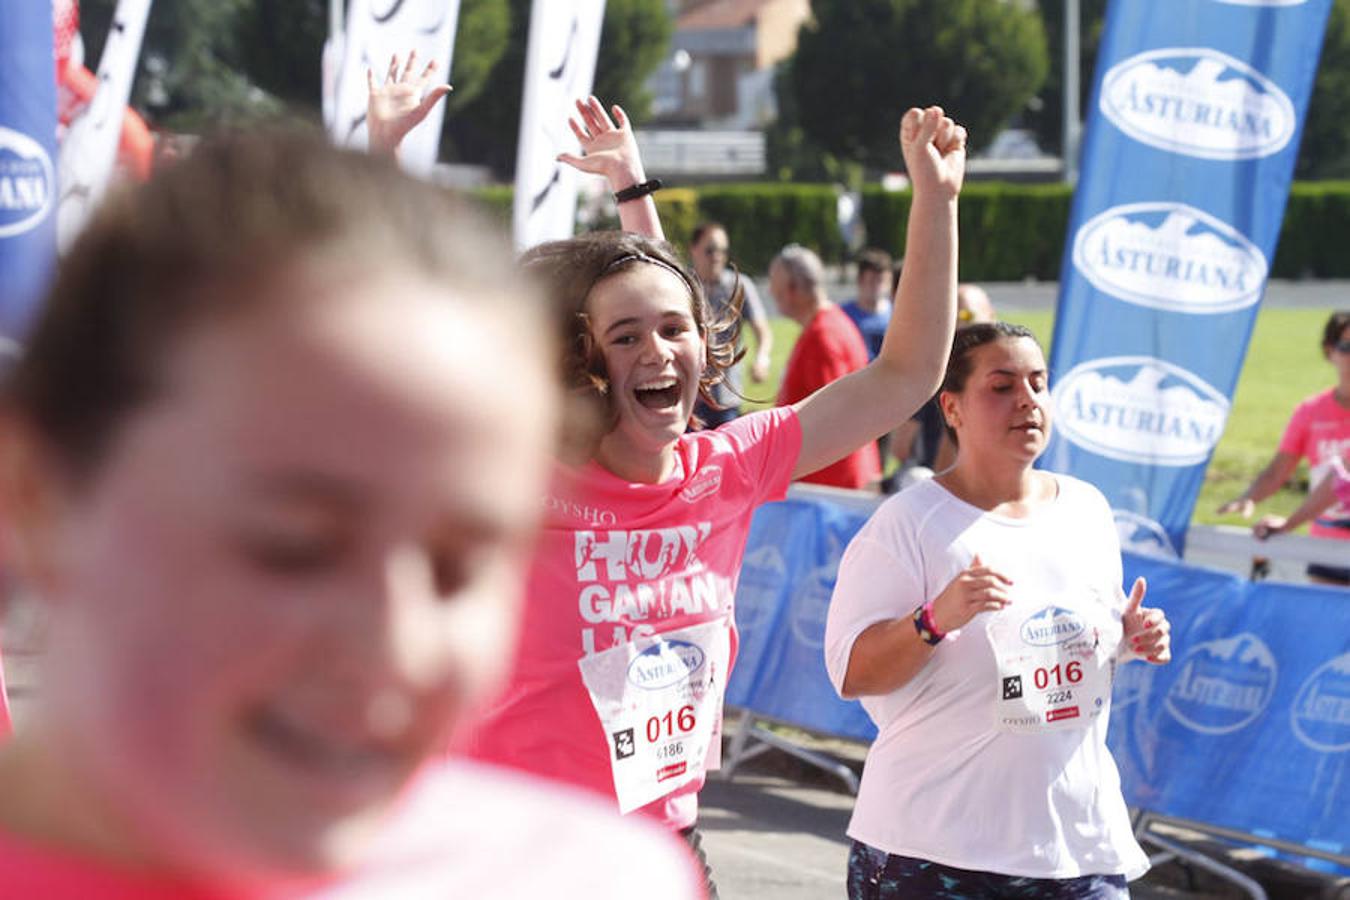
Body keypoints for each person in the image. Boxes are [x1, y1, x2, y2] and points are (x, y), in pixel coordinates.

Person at [0, 131, 701, 897]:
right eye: (296, 547)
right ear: (38, 500)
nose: (394, 642)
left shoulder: (600, 876)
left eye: (456, 568)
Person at [453, 105, 966, 897]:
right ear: (580, 360)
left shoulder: (728, 465)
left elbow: (906, 376)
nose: (656, 350)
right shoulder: (518, 476)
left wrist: (936, 200)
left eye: (674, 331)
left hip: (662, 850)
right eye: (624, 339)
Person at [825, 321, 1172, 899]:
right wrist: (933, 620)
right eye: (1003, 385)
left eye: (1038, 383)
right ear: (953, 408)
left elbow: (1070, 649)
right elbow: (853, 673)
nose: (1027, 400)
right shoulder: (909, 524)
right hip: (934, 849)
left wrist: (1128, 639)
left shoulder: (1086, 509)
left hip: (1073, 847)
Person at [1218, 310, 1350, 585]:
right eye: (1347, 347)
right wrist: (1251, 497)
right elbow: (1334, 480)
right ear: (1330, 351)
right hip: (1327, 547)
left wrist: (1290, 523)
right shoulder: (1311, 411)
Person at [772, 244, 882, 489]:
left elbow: (828, 419)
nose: (771, 293)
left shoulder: (822, 336)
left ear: (791, 291)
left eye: (775, 288)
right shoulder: (833, 323)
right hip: (840, 477)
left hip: (830, 485)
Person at [892, 282, 998, 485]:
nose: (958, 324)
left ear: (991, 316)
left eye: (966, 316)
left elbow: (901, 447)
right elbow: (900, 447)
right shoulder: (930, 374)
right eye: (951, 317)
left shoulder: (934, 372)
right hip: (934, 484)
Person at [688, 222, 773, 427]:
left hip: (727, 395)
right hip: (691, 396)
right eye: (710, 250)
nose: (717, 256)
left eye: (722, 250)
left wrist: (762, 358)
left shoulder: (739, 284)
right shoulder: (683, 283)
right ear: (694, 249)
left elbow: (762, 330)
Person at [840, 248, 894, 361]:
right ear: (860, 280)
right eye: (871, 280)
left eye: (881, 281)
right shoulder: (842, 316)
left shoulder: (897, 315)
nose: (877, 287)